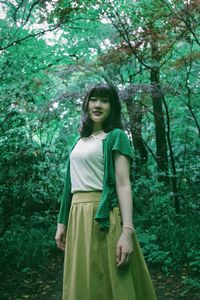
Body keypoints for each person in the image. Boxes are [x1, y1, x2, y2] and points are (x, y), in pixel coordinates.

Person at [55, 83, 157, 300]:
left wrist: (128, 231)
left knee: (112, 282)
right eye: (94, 99)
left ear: (113, 106)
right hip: (77, 217)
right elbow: (69, 186)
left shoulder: (116, 136)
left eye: (105, 100)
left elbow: (123, 183)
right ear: (86, 103)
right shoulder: (79, 141)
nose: (98, 105)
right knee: (84, 283)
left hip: (104, 217)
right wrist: (61, 223)